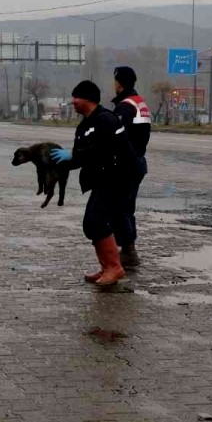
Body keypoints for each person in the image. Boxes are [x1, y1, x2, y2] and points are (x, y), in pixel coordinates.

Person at [50, 80, 141, 286]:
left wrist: (74, 155)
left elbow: (103, 150)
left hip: (119, 177)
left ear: (88, 99)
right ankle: (107, 267)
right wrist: (58, 164)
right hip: (103, 179)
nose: (73, 101)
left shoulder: (106, 120)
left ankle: (115, 268)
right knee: (91, 224)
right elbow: (79, 158)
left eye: (76, 97)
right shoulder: (84, 125)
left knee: (96, 221)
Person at [109, 66, 151, 267]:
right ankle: (128, 249)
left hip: (125, 164)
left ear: (119, 84)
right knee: (127, 207)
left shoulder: (125, 107)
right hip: (137, 162)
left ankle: (128, 250)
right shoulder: (139, 103)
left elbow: (117, 138)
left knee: (119, 209)